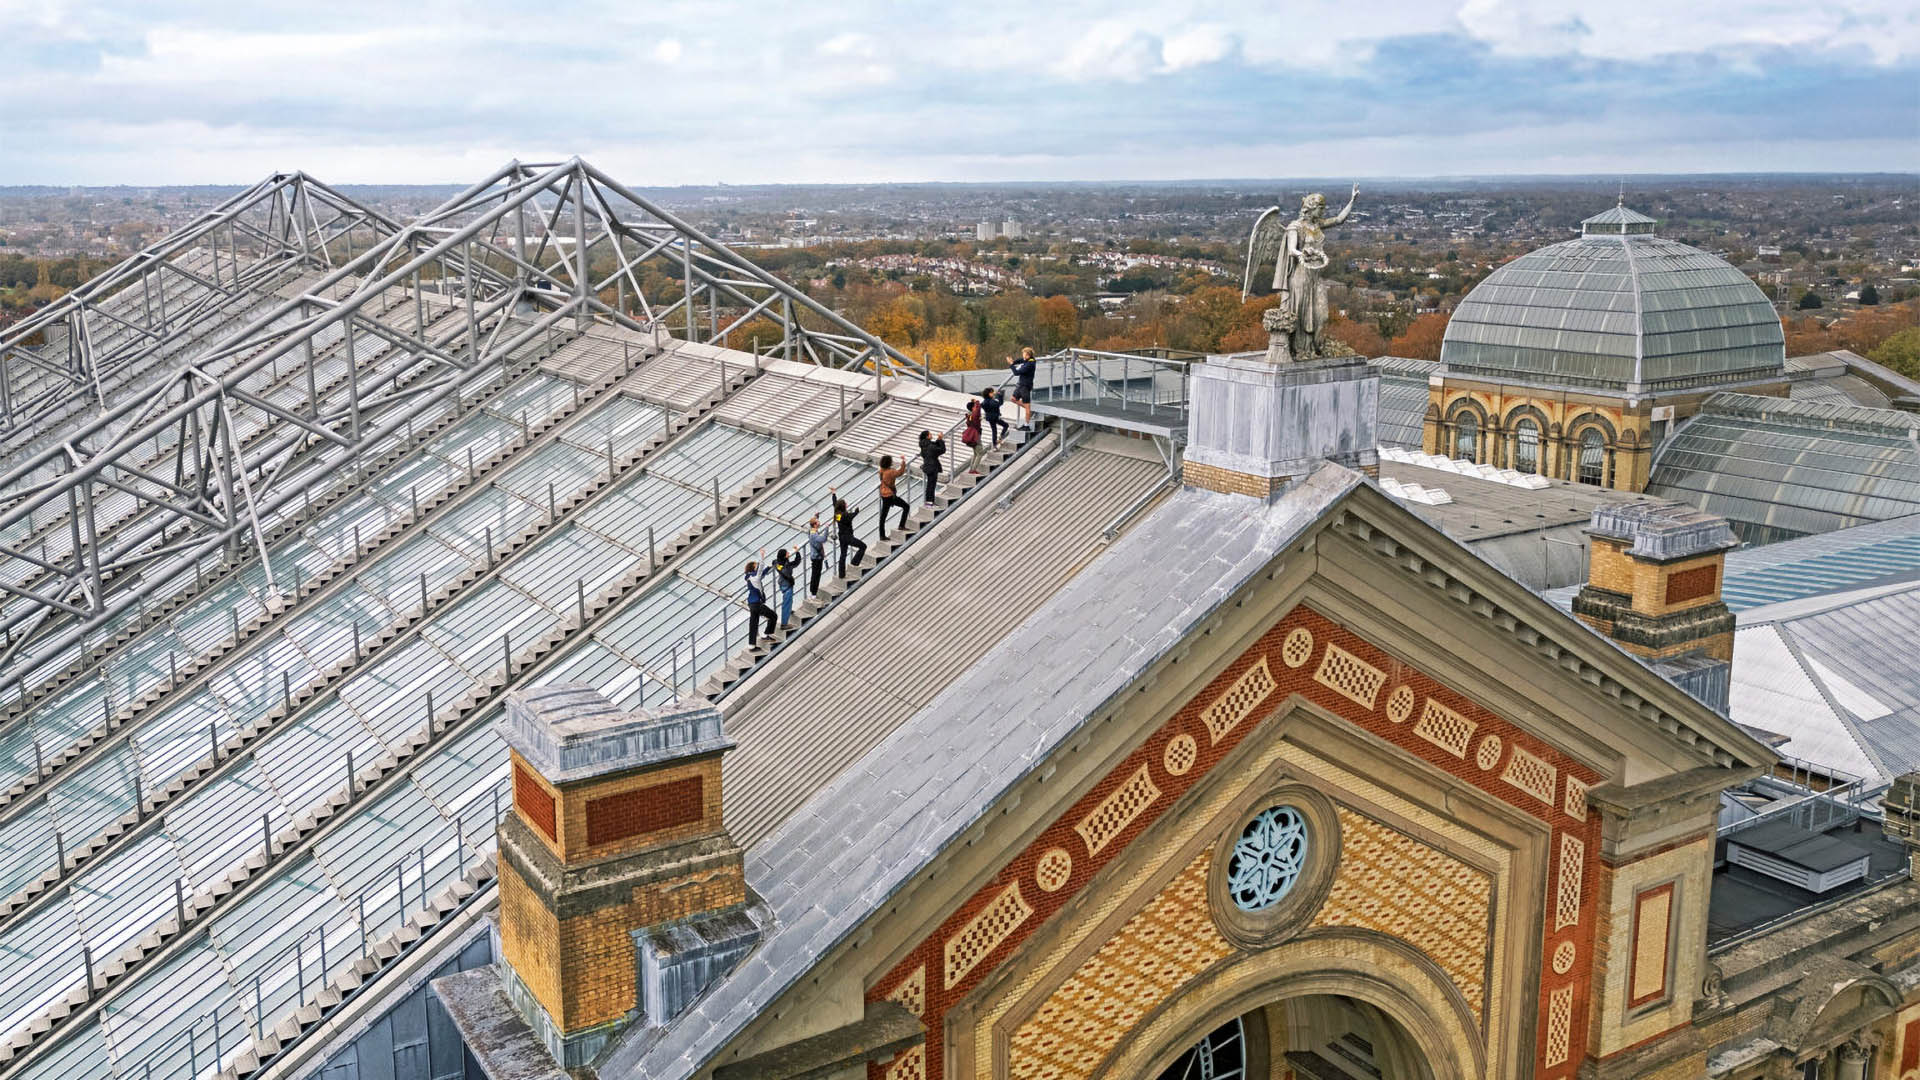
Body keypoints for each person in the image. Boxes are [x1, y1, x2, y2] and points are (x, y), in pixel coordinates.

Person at [831, 490, 867, 577]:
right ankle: (855, 562)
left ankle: (841, 574)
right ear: (843, 506)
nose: (847, 504)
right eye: (845, 504)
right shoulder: (844, 515)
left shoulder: (837, 514)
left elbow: (835, 503)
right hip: (848, 537)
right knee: (863, 546)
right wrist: (856, 512)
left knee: (843, 555)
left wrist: (834, 494)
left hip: (841, 537)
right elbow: (850, 516)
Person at [742, 557, 775, 645]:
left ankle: (751, 645)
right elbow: (761, 570)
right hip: (757, 603)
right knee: (773, 616)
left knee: (753, 624)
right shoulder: (755, 577)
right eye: (756, 566)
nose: (757, 567)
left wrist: (770, 567)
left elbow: (762, 573)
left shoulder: (750, 577)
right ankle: (766, 634)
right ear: (753, 569)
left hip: (751, 603)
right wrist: (762, 556)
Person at [877, 454, 910, 540]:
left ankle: (882, 535)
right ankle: (901, 525)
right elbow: (900, 472)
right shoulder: (890, 472)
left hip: (883, 494)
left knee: (883, 517)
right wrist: (903, 462)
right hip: (890, 495)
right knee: (906, 506)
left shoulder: (881, 471)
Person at [1008, 346, 1039, 429]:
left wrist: (1011, 365)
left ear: (1028, 355)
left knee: (1027, 407)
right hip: (1020, 385)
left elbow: (1016, 373)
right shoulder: (1028, 360)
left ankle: (1027, 425)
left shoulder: (1030, 364)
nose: (1023, 356)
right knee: (1013, 399)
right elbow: (1020, 360)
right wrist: (1013, 362)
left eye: (1024, 354)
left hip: (1025, 386)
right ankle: (1028, 409)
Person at [918, 429, 945, 506]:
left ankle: (929, 501)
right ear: (927, 436)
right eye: (930, 434)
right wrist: (941, 440)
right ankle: (930, 502)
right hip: (932, 467)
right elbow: (942, 450)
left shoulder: (924, 445)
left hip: (927, 466)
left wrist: (939, 439)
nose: (931, 435)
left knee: (930, 484)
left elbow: (934, 445)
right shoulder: (930, 446)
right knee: (931, 485)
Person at [772, 547, 797, 628]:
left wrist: (797, 553)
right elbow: (786, 572)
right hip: (787, 585)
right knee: (786, 603)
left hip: (783, 584)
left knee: (789, 601)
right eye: (787, 553)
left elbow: (777, 565)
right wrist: (791, 580)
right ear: (784, 556)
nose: (789, 554)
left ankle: (788, 611)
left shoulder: (778, 563)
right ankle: (784, 624)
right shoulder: (785, 565)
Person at [804, 516, 828, 596]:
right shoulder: (814, 534)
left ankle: (813, 591)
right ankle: (813, 592)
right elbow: (823, 539)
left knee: (815, 574)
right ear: (814, 524)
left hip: (815, 557)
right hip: (817, 558)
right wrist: (826, 528)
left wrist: (816, 516)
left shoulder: (812, 531)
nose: (819, 522)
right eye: (817, 521)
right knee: (816, 575)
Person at [961, 398, 984, 474]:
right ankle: (973, 469)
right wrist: (976, 402)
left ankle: (971, 469)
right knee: (980, 453)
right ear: (973, 408)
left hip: (973, 435)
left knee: (975, 453)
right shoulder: (974, 415)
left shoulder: (969, 415)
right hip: (976, 435)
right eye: (974, 406)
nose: (976, 407)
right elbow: (978, 409)